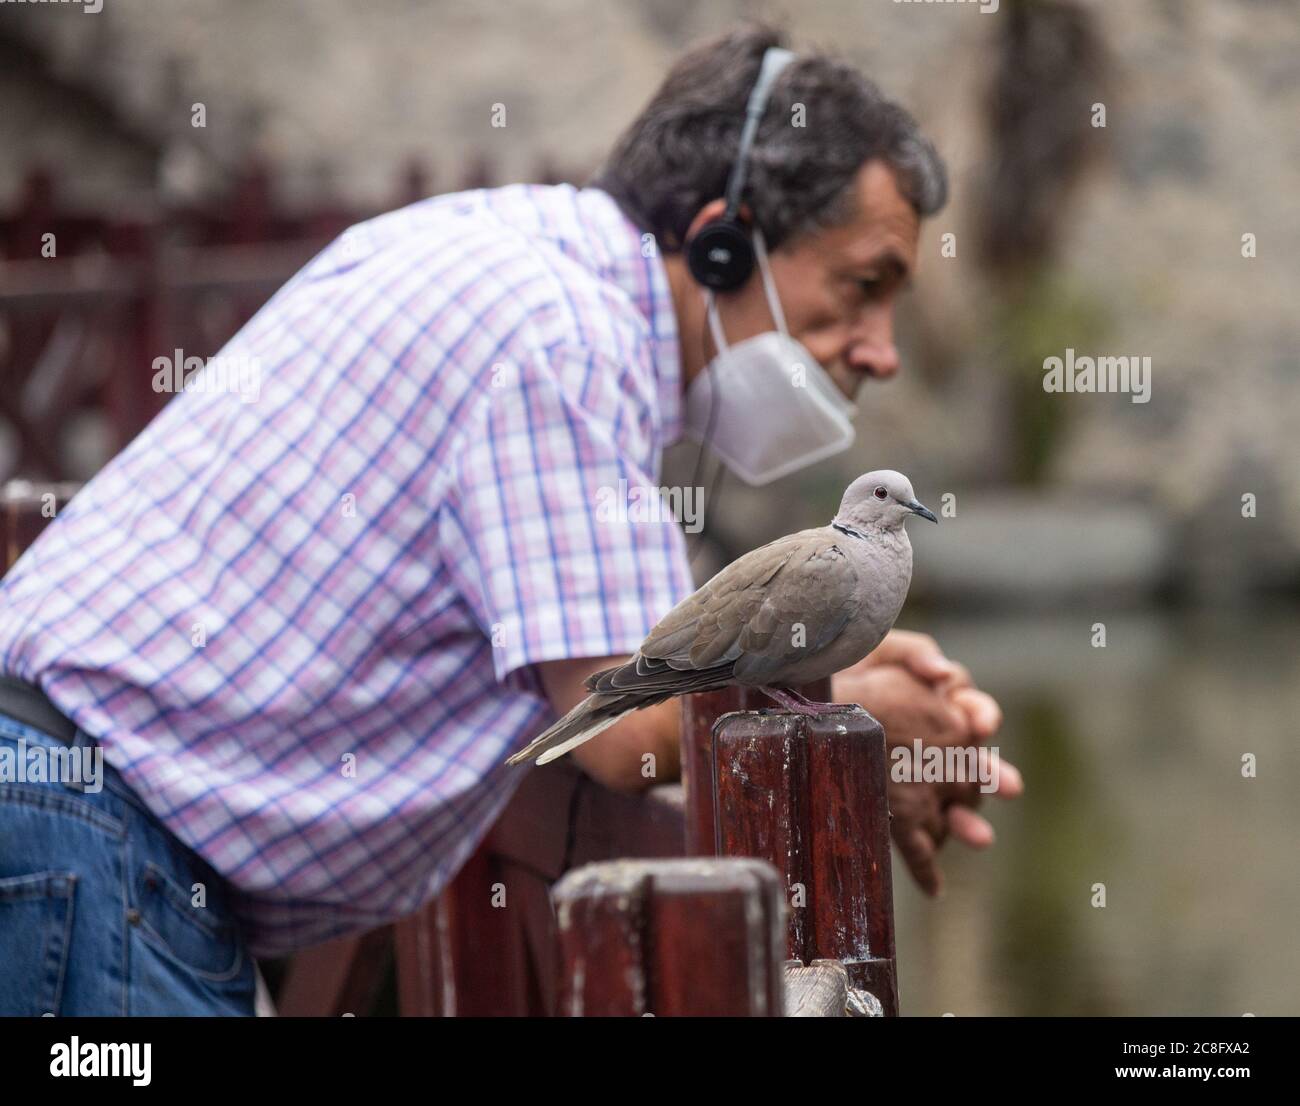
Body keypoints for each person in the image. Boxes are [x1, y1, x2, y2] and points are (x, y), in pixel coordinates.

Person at [0, 23, 1020, 1016]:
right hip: (93, 844)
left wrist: (842, 676)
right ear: (721, 244)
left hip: (74, 817)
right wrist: (866, 714)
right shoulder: (561, 341)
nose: (882, 351)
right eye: (861, 288)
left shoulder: (499, 247)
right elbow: (627, 725)